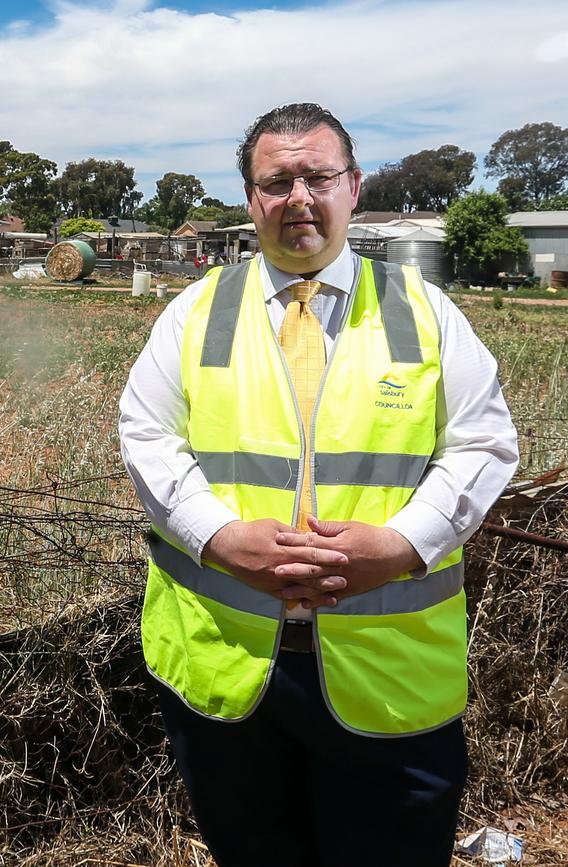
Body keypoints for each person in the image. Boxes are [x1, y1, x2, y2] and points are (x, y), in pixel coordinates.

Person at [119, 102, 518, 867]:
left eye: (318, 176)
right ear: (251, 199)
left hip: (387, 673)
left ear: (353, 187)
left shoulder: (425, 311)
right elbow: (147, 434)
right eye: (277, 181)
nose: (298, 197)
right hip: (228, 673)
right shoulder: (192, 314)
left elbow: (483, 439)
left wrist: (405, 543)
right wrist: (217, 535)